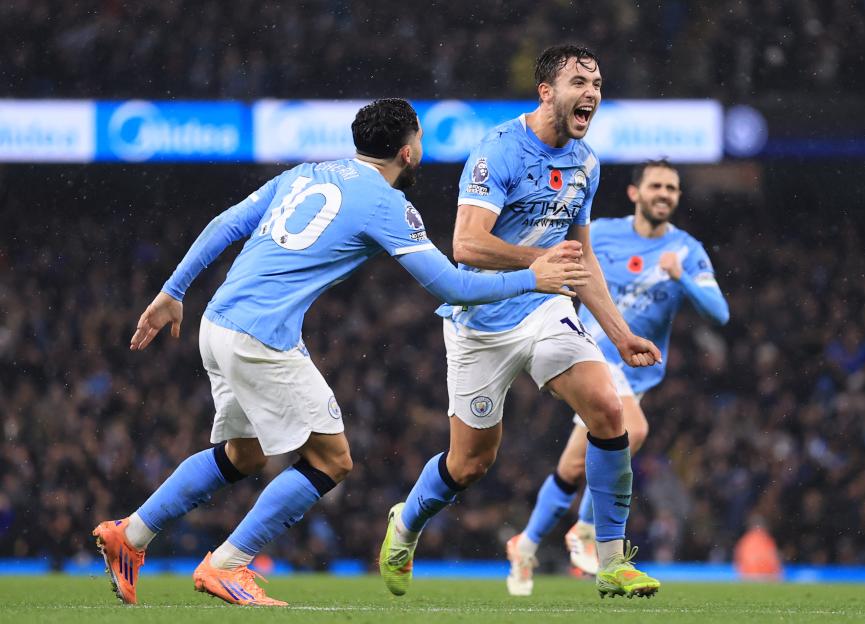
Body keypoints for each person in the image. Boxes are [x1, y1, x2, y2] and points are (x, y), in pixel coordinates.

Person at [91, 98, 589, 607]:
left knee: (245, 454)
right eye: (420, 140)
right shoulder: (388, 204)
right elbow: (452, 287)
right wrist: (533, 277)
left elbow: (228, 223)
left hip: (217, 323)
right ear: (407, 150)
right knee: (332, 460)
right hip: (262, 337)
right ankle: (227, 565)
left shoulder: (304, 173)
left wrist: (173, 292)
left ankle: (129, 535)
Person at [379, 45, 664, 601]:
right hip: (480, 321)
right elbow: (465, 244)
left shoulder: (587, 162)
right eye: (579, 82)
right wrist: (536, 263)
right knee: (470, 464)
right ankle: (406, 522)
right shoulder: (498, 152)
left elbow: (579, 262)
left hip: (546, 310)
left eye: (598, 84)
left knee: (608, 410)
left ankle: (611, 561)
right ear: (545, 92)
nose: (591, 94)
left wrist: (620, 332)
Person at [505, 159, 730, 594]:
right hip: (591, 353)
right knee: (634, 429)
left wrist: (680, 276)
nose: (665, 193)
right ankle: (587, 531)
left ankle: (525, 545)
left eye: (672, 188)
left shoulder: (685, 251)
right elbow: (555, 258)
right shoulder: (602, 233)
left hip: (636, 376)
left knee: (573, 469)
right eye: (656, 186)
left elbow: (719, 313)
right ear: (635, 193)